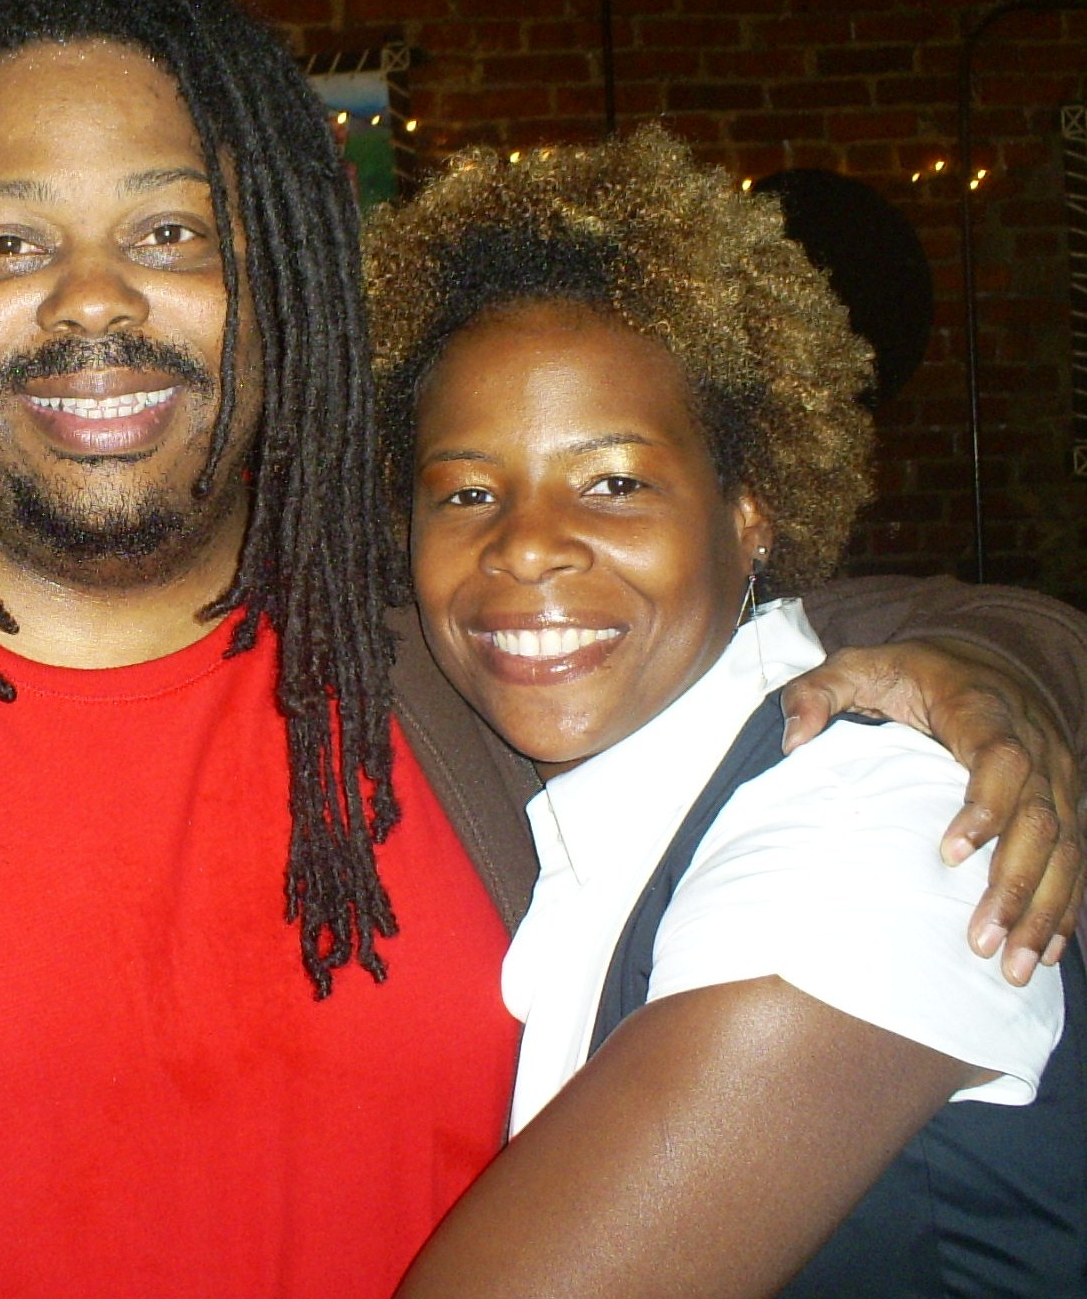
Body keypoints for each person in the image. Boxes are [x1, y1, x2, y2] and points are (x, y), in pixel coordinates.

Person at [0, 0, 1084, 1299]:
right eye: (6, 239)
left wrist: (997, 670)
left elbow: (758, 618)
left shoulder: (464, 640)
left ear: (277, 278)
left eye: (172, 228)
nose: (94, 296)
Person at [368, 128, 1086, 1297]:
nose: (527, 544)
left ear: (749, 512)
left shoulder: (870, 830)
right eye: (468, 491)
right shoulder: (615, 812)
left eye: (614, 481)